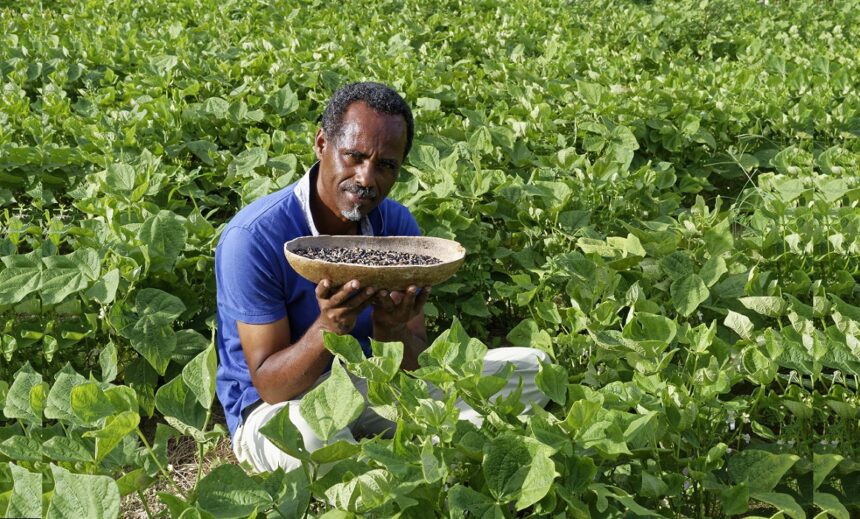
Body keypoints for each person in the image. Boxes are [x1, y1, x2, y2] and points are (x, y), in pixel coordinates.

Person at [215, 82, 548, 473]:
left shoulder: (397, 225)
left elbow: (411, 365)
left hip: (373, 383)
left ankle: (405, 454)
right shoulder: (253, 238)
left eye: (385, 165)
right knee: (311, 437)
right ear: (322, 144)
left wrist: (391, 329)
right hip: (281, 407)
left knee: (534, 368)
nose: (366, 178)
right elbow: (270, 388)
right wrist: (330, 326)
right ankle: (429, 452)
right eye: (353, 156)